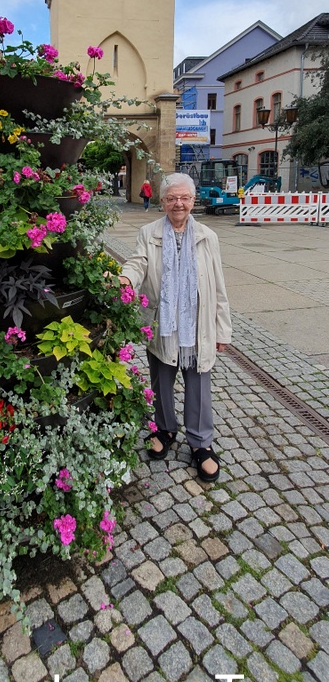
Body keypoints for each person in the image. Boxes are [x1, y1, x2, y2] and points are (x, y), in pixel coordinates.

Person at [119, 173, 231, 482]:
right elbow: (138, 262)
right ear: (162, 201)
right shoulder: (149, 232)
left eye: (184, 198)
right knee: (161, 383)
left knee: (198, 388)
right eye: (171, 198)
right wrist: (126, 277)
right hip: (163, 324)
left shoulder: (208, 237)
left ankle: (200, 444)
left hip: (197, 326)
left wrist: (222, 330)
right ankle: (165, 429)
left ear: (193, 201)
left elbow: (219, 287)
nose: (177, 204)